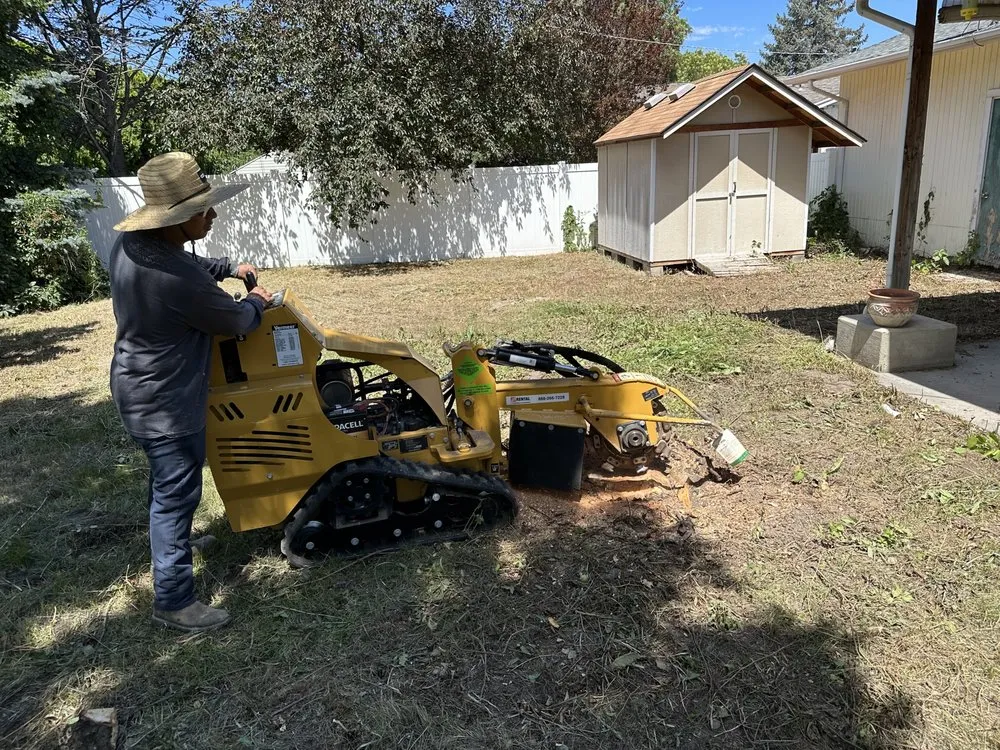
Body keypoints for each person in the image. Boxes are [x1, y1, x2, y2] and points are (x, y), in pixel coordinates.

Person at [109, 152, 272, 633]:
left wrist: (225, 265)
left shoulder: (132, 245)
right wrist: (257, 302)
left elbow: (185, 260)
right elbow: (236, 320)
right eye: (204, 209)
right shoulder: (176, 282)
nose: (213, 214)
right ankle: (175, 600)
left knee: (167, 486)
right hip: (165, 400)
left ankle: (172, 545)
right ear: (177, 219)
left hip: (133, 382)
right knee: (176, 493)